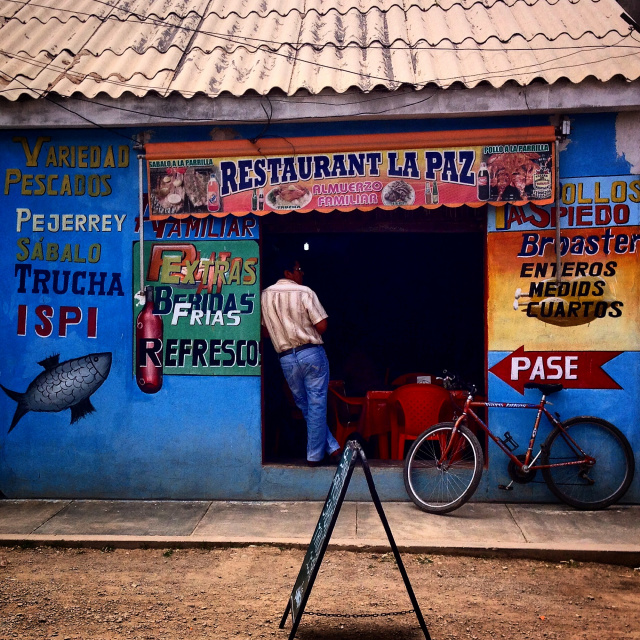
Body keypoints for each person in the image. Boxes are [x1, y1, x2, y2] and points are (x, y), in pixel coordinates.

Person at [261, 258, 341, 466]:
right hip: (310, 353)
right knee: (316, 403)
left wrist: (284, 330)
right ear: (287, 273)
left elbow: (266, 332)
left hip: (286, 358)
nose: (302, 273)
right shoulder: (305, 292)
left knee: (305, 405)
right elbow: (322, 326)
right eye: (299, 269)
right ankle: (314, 456)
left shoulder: (265, 296)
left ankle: (332, 447)